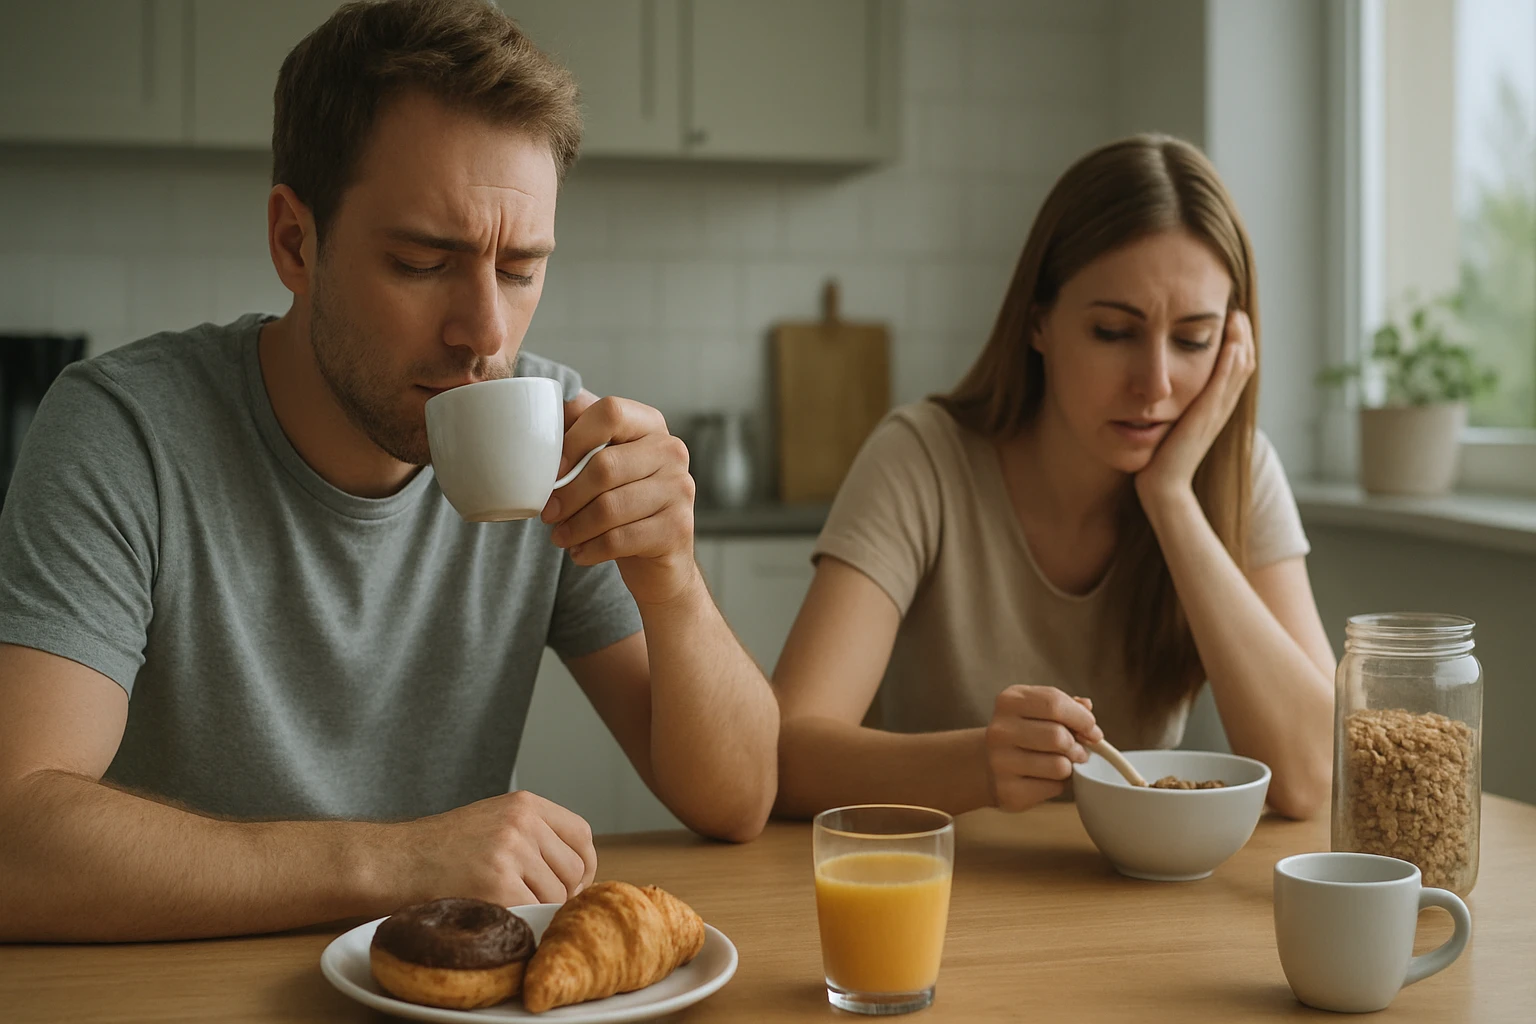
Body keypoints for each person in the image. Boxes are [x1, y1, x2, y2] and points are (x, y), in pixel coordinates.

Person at [0, 0, 777, 943]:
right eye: (421, 262)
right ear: (296, 242)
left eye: (520, 270)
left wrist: (675, 584)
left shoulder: (554, 437)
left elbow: (737, 801)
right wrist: (397, 862)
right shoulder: (126, 433)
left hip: (440, 992)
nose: (484, 335)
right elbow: (13, 837)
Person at [773, 135, 1335, 824]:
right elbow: (787, 755)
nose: (1155, 384)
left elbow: (1315, 778)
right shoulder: (920, 460)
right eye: (1113, 332)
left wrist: (1171, 500)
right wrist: (977, 764)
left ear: (1233, 346)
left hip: (1138, 889)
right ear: (1039, 322)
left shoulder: (1239, 473)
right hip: (949, 879)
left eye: (1194, 340)